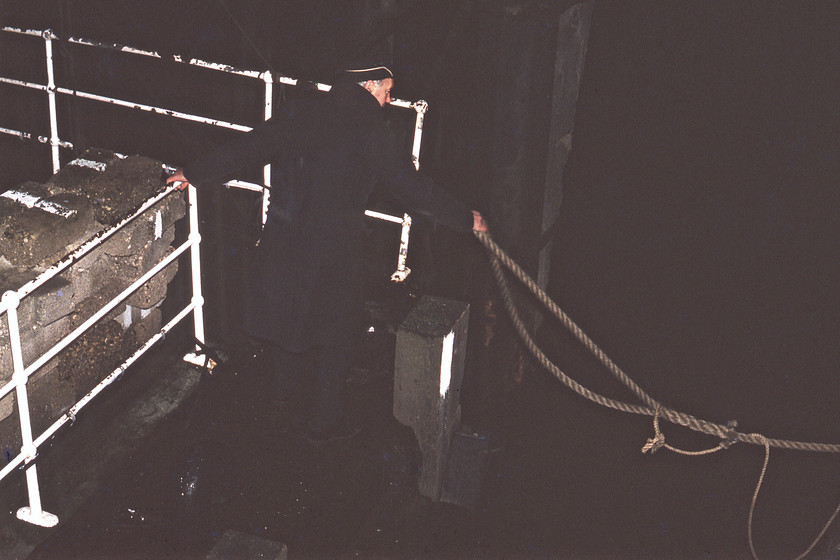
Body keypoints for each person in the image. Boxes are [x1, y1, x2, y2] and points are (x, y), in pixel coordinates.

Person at [167, 63, 486, 444]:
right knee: (338, 335)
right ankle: (323, 424)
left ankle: (282, 397)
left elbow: (250, 148)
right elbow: (412, 189)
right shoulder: (374, 130)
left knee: (286, 317)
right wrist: (465, 219)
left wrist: (194, 171)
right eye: (387, 92)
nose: (388, 101)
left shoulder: (302, 111)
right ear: (368, 85)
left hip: (284, 238)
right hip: (336, 249)